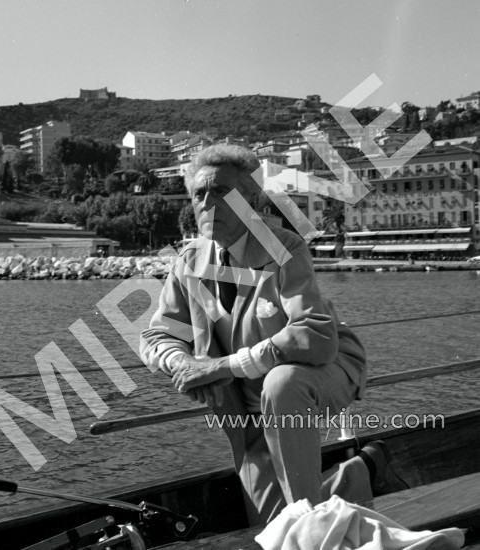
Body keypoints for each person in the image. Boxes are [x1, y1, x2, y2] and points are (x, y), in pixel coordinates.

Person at [140, 144, 406, 525]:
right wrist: (183, 363)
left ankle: (309, 532)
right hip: (245, 400)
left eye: (221, 192)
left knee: (283, 385)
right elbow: (156, 336)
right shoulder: (189, 262)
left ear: (252, 201)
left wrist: (223, 366)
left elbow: (314, 336)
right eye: (199, 194)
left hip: (321, 369)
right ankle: (364, 472)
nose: (207, 202)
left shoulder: (284, 247)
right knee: (269, 521)